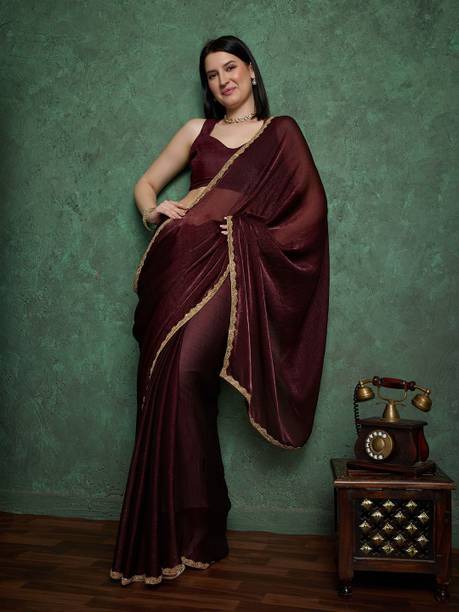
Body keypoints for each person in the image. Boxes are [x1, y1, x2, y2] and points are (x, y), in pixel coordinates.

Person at [110, 34, 329, 587]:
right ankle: (169, 534)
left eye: (230, 67)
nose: (223, 80)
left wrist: (242, 231)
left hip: (230, 267)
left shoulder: (280, 133)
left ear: (251, 71)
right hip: (177, 265)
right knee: (166, 385)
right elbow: (146, 183)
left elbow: (309, 213)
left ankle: (197, 528)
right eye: (212, 74)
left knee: (188, 376)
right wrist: (154, 211)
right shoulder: (196, 131)